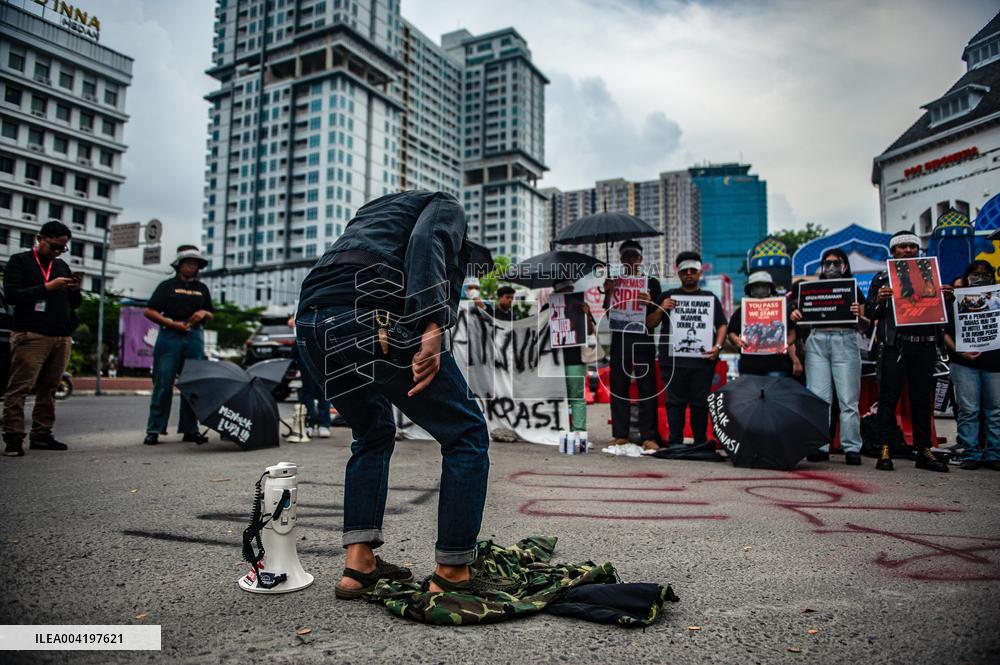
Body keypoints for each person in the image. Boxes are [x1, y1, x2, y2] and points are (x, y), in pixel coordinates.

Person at [295, 190, 504, 597]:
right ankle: (453, 571)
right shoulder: (446, 206)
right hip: (371, 317)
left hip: (312, 324)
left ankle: (359, 565)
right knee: (465, 434)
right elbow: (429, 245)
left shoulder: (370, 217)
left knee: (371, 434)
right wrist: (431, 326)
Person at [865, 230, 951, 472]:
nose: (907, 251)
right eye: (901, 247)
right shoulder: (882, 279)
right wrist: (880, 301)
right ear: (892, 252)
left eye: (911, 247)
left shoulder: (931, 274)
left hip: (924, 344)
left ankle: (924, 450)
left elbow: (942, 315)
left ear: (918, 250)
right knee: (888, 399)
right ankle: (885, 448)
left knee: (921, 400)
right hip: (896, 346)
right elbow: (871, 313)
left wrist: (948, 299)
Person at [2, 221, 81, 457]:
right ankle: (13, 437)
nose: (58, 252)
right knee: (20, 387)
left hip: (61, 335)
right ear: (41, 238)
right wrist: (48, 287)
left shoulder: (61, 267)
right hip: (31, 334)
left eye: (63, 249)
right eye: (55, 246)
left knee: (49, 388)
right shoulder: (20, 261)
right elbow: (13, 295)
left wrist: (74, 290)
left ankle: (42, 434)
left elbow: (74, 304)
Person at [789, 248, 870, 465]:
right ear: (822, 266)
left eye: (837, 262)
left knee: (848, 399)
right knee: (818, 398)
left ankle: (852, 447)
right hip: (817, 340)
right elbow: (799, 316)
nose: (832, 267)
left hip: (846, 339)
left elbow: (864, 326)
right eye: (828, 263)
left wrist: (858, 315)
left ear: (845, 265)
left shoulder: (854, 290)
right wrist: (795, 314)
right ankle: (819, 446)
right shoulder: (811, 289)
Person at [649, 251, 727, 448]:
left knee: (700, 403)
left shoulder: (710, 297)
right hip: (672, 361)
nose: (689, 274)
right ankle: (675, 441)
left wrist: (717, 347)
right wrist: (661, 308)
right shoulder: (667, 296)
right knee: (674, 403)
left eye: (693, 271)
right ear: (679, 274)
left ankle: (700, 441)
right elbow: (650, 323)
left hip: (702, 361)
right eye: (685, 271)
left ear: (700, 273)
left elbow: (722, 325)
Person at [142, 246, 214, 446]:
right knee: (163, 383)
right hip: (170, 334)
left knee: (192, 384)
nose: (192, 267)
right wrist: (171, 323)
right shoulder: (167, 286)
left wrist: (203, 314)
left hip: (194, 335)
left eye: (195, 264)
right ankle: (154, 429)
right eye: (189, 263)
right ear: (179, 265)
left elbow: (211, 313)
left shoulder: (202, 289)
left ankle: (190, 429)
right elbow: (149, 311)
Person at [602, 240, 662, 451]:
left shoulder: (652, 283)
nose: (630, 259)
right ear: (620, 259)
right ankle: (620, 434)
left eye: (634, 256)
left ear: (641, 258)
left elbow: (656, 318)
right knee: (619, 389)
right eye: (626, 256)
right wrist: (608, 292)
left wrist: (651, 303)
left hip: (644, 342)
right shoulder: (615, 282)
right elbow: (609, 315)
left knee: (647, 390)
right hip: (620, 342)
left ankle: (649, 436)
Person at [943, 260, 1000, 470]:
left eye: (984, 274)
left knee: (995, 411)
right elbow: (945, 333)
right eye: (975, 274)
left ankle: (994, 454)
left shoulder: (998, 299)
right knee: (969, 410)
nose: (979, 278)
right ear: (966, 277)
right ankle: (971, 453)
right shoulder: (956, 301)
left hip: (995, 362)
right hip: (964, 363)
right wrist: (960, 351)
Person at [541, 279, 597, 433]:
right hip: (553, 361)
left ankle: (578, 430)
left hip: (574, 360)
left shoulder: (580, 306)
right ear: (556, 291)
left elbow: (590, 332)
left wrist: (586, 314)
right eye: (566, 289)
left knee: (577, 397)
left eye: (571, 289)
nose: (570, 292)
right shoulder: (547, 308)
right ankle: (557, 429)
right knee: (557, 398)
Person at [728, 271, 802, 378]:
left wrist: (783, 346)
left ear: (770, 289)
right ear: (750, 290)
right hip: (750, 366)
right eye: (756, 287)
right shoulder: (743, 309)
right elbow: (731, 331)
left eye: (763, 286)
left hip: (776, 365)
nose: (760, 290)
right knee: (750, 394)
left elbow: (792, 333)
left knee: (775, 394)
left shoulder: (782, 307)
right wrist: (736, 340)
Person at [288, 315, 331, 438]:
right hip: (304, 347)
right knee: (307, 392)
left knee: (323, 391)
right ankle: (309, 424)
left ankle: (324, 424)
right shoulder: (301, 308)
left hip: (321, 350)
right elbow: (291, 321)